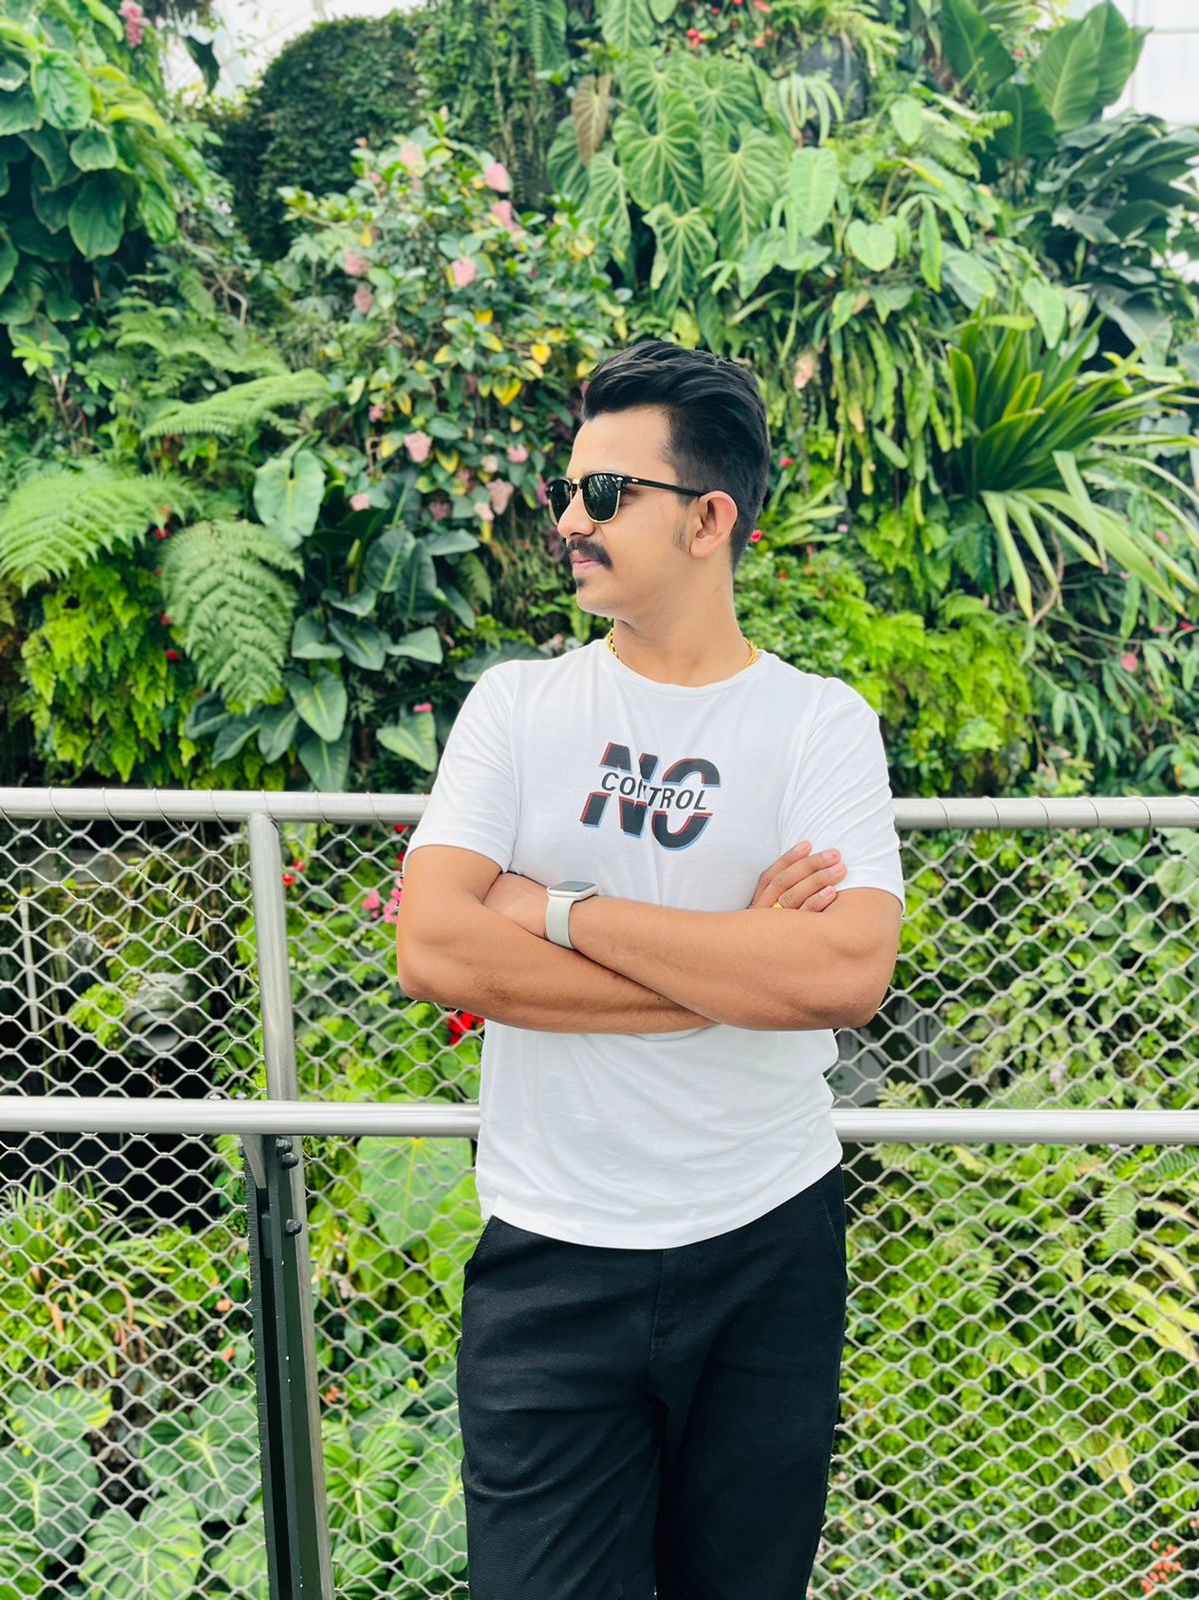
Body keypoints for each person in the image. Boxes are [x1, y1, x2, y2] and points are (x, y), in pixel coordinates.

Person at [394, 336, 905, 1598]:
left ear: (708, 519)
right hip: (552, 1253)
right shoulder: (518, 707)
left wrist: (552, 908)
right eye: (568, 491)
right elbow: (435, 940)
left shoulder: (818, 722)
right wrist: (724, 974)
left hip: (766, 1245)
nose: (569, 519)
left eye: (605, 493)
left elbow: (845, 971)